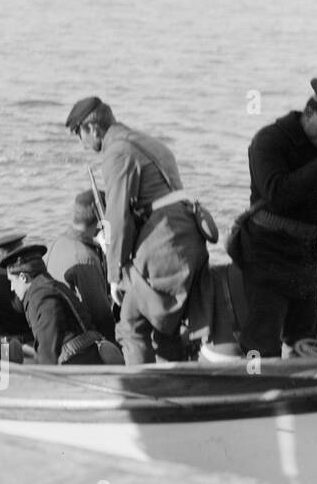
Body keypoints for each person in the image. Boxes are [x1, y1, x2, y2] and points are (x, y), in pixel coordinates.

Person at [66, 96, 211, 364]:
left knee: (130, 325)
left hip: (164, 246)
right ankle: (176, 380)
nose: (82, 143)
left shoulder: (117, 152)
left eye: (79, 134)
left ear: (93, 129)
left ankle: (139, 392)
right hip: (189, 240)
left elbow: (117, 215)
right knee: (165, 328)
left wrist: (114, 274)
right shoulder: (144, 141)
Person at [234, 77, 317, 357]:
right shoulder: (269, 140)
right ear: (308, 114)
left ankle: (302, 389)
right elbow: (276, 195)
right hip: (266, 252)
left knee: (304, 339)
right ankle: (257, 391)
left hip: (304, 257)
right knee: (261, 342)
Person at [2, 244, 109, 365]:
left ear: (23, 277)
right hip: (85, 356)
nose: (11, 288)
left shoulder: (41, 297)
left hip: (80, 364)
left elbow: (48, 353)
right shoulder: (49, 285)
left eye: (11, 281)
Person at [46, 191, 117, 341]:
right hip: (83, 340)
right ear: (101, 220)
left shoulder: (57, 243)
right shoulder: (86, 258)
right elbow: (102, 318)